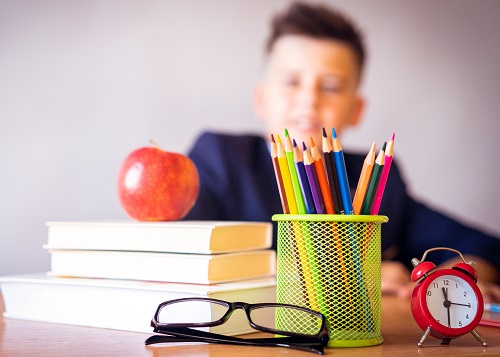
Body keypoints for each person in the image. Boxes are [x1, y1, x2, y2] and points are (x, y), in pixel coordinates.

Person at [184, 1, 500, 302]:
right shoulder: (220, 158)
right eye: (292, 81)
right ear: (261, 99)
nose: (309, 99)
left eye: (332, 86)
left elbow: (483, 247)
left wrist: (458, 276)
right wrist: (349, 276)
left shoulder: (376, 179)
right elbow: (182, 255)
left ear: (356, 110)